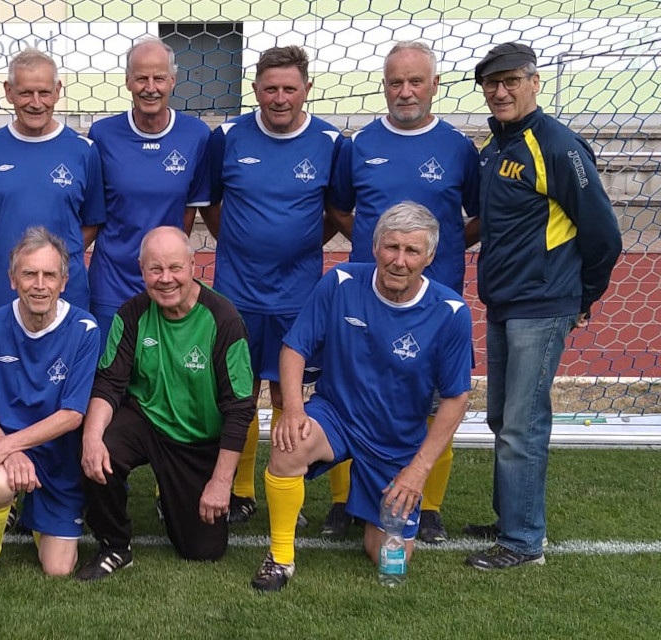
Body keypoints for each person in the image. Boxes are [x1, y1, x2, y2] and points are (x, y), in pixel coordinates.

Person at [251, 202, 473, 592]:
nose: (399, 260)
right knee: (289, 444)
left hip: (395, 441)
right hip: (335, 416)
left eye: (412, 251)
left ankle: (370, 509)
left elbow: (456, 399)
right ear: (374, 247)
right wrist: (294, 409)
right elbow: (294, 348)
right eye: (391, 247)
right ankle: (280, 556)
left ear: (429, 257)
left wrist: (417, 470)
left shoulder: (451, 311)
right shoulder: (340, 282)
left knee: (389, 558)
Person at [463, 43, 622, 570]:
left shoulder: (558, 146)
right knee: (502, 417)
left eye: (511, 81)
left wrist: (583, 296)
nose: (500, 91)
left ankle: (523, 542)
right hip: (504, 302)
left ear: (534, 82)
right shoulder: (496, 145)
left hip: (543, 304)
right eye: (491, 84)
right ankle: (512, 517)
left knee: (522, 423)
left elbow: (604, 234)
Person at [322, 40, 481, 544]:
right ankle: (343, 502)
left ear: (435, 85)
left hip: (432, 305)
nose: (406, 91)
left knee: (433, 402)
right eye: (396, 82)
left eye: (416, 81)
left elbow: (478, 215)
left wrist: (435, 253)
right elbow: (339, 208)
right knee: (350, 397)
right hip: (366, 302)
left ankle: (428, 506)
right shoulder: (358, 144)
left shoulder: (459, 147)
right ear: (384, 86)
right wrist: (379, 254)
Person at [201, 45, 343, 523]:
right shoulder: (227, 137)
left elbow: (337, 212)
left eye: (289, 89)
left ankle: (287, 483)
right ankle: (240, 492)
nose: (280, 98)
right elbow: (210, 204)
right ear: (256, 90)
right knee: (238, 393)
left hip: (297, 295)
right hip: (236, 292)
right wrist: (239, 243)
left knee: (288, 395)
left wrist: (299, 244)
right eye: (270, 89)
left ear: (307, 89)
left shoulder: (330, 141)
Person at [76, 226, 255, 582]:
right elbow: (109, 383)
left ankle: (178, 502)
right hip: (146, 421)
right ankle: (114, 544)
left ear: (193, 265)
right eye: (155, 269)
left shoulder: (224, 320)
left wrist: (221, 483)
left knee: (203, 550)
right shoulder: (131, 314)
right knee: (98, 443)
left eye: (175, 268)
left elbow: (240, 411)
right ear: (141, 270)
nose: (166, 278)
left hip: (197, 443)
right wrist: (91, 440)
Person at [0, 227, 100, 588]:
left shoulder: (85, 329)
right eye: (29, 274)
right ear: (12, 279)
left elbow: (72, 415)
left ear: (64, 281)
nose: (40, 285)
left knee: (58, 568)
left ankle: (36, 513)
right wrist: (10, 452)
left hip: (58, 461)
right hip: (5, 452)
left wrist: (8, 447)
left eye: (50, 275)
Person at [87, 37, 211, 351]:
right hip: (112, 281)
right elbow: (94, 211)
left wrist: (167, 262)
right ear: (128, 81)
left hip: (167, 282)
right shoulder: (102, 135)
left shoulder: (197, 136)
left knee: (162, 369)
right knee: (109, 368)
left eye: (159, 78)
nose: (150, 88)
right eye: (142, 78)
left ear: (173, 81)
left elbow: (189, 211)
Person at [0, 47, 106, 314]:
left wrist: (52, 263)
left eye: (44, 93)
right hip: (5, 291)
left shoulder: (84, 151)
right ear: (9, 91)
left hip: (66, 293)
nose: (36, 103)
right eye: (26, 93)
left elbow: (91, 223)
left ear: (57, 91)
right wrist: (19, 261)